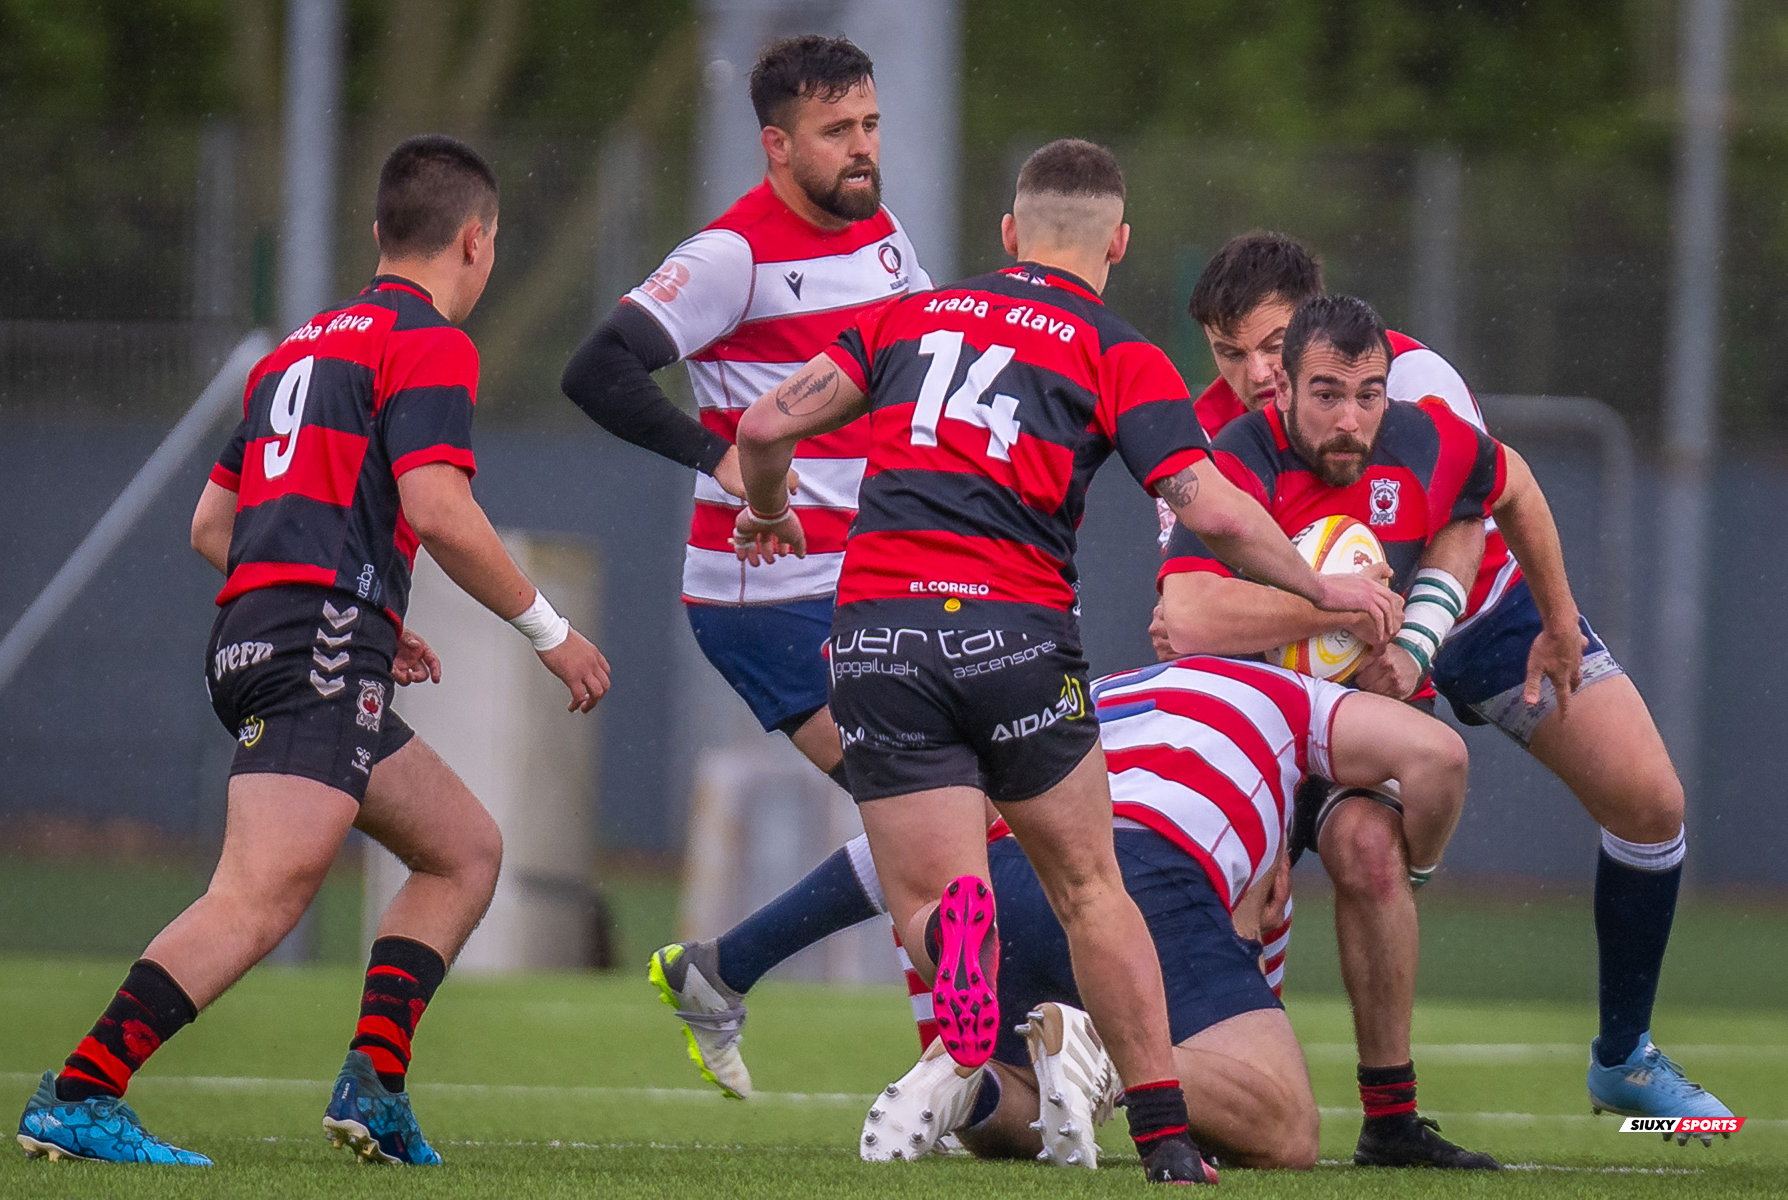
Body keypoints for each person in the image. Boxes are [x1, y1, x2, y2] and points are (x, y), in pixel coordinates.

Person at [729, 139, 1401, 1185]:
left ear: (1007, 234)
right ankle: (1169, 1141)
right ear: (1118, 244)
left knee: (932, 896)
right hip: (1011, 632)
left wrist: (767, 511)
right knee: (1092, 888)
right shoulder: (1112, 348)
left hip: (875, 631)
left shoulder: (909, 316)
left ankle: (958, 940)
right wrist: (1323, 590)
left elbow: (767, 421)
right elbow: (1207, 507)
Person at [14, 135, 610, 1168]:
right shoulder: (427, 343)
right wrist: (550, 635)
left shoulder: (298, 349)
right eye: (494, 244)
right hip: (316, 641)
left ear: (380, 234)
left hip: (275, 631)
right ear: (476, 242)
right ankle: (80, 1090)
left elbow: (215, 524)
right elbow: (440, 507)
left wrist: (366, 605)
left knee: (463, 851)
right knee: (262, 891)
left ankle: (373, 1085)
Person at [1158, 231, 1732, 1140]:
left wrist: (1432, 637)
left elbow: (1473, 510)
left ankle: (1624, 1058)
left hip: (1476, 608)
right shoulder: (1209, 441)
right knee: (1283, 870)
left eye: (1271, 347)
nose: (1253, 374)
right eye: (1230, 354)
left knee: (1651, 800)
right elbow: (1201, 613)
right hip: (1318, 653)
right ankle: (1231, 1089)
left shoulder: (1415, 383)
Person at [558, 35, 929, 1099]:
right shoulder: (733, 255)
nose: (862, 152)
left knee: (945, 820)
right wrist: (719, 458)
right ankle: (959, 1065)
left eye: (868, 126)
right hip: (769, 595)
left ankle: (722, 974)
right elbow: (597, 368)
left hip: (869, 579)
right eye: (835, 133)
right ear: (775, 145)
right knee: (932, 821)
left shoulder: (886, 233)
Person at [858, 655, 1470, 1171]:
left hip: (1012, 866)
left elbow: (881, 860)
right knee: (1284, 1127)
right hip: (1147, 870)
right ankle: (1100, 1045)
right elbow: (1440, 756)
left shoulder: (1110, 687)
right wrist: (1419, 872)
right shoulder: (1291, 697)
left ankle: (971, 1087)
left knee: (1036, 1102)